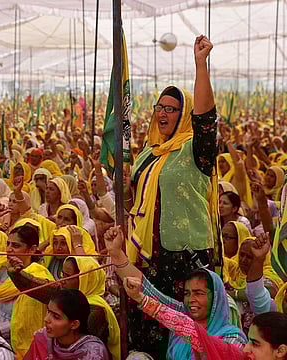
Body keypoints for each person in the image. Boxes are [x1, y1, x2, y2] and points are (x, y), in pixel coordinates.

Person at [123, 35, 223, 358]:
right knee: (150, 330)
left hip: (187, 256)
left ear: (185, 113)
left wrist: (200, 65)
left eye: (172, 108)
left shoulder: (195, 150)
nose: (163, 113)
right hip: (151, 257)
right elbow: (136, 200)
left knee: (188, 333)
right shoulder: (147, 154)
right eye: (160, 107)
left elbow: (206, 122)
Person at [105, 225, 247, 360]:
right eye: (187, 293)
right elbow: (147, 289)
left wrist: (145, 302)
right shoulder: (183, 312)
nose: (191, 299)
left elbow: (197, 336)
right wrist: (116, 254)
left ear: (216, 298)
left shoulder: (233, 338)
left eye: (198, 293)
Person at [8, 256, 120, 359]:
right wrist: (16, 275)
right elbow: (39, 289)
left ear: (86, 278)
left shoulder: (96, 311)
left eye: (68, 276)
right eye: (62, 275)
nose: (62, 280)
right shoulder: (43, 336)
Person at [0, 223, 54, 358]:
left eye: (15, 246)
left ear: (32, 250)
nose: (9, 249)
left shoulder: (39, 275)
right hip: (1, 343)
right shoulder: (0, 268)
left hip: (28, 349)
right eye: (8, 244)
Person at [24, 288, 110, 360]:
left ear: (74, 324)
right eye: (48, 311)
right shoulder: (42, 338)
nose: (46, 319)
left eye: (56, 317)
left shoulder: (93, 353)